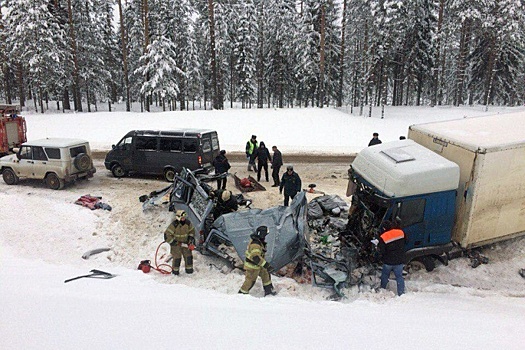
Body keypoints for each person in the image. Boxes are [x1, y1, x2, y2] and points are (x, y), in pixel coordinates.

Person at [238, 226, 276, 296]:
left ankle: (269, 291)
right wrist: (266, 265)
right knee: (250, 281)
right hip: (252, 266)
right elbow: (256, 257)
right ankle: (242, 294)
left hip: (258, 265)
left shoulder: (259, 241)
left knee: (265, 274)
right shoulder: (256, 245)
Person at [376, 220, 406, 296]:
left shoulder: (384, 236)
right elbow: (406, 241)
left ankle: (383, 289)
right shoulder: (400, 232)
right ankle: (401, 293)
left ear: (384, 228)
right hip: (399, 260)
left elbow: (381, 250)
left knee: (385, 275)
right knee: (399, 277)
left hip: (388, 261)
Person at [164, 210, 196, 275]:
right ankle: (175, 272)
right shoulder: (174, 225)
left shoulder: (188, 223)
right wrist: (174, 242)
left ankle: (189, 271)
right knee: (177, 258)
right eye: (182, 217)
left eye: (184, 217)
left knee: (188, 257)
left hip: (186, 243)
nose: (183, 219)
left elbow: (192, 232)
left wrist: (190, 240)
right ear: (178, 217)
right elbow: (167, 235)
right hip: (176, 245)